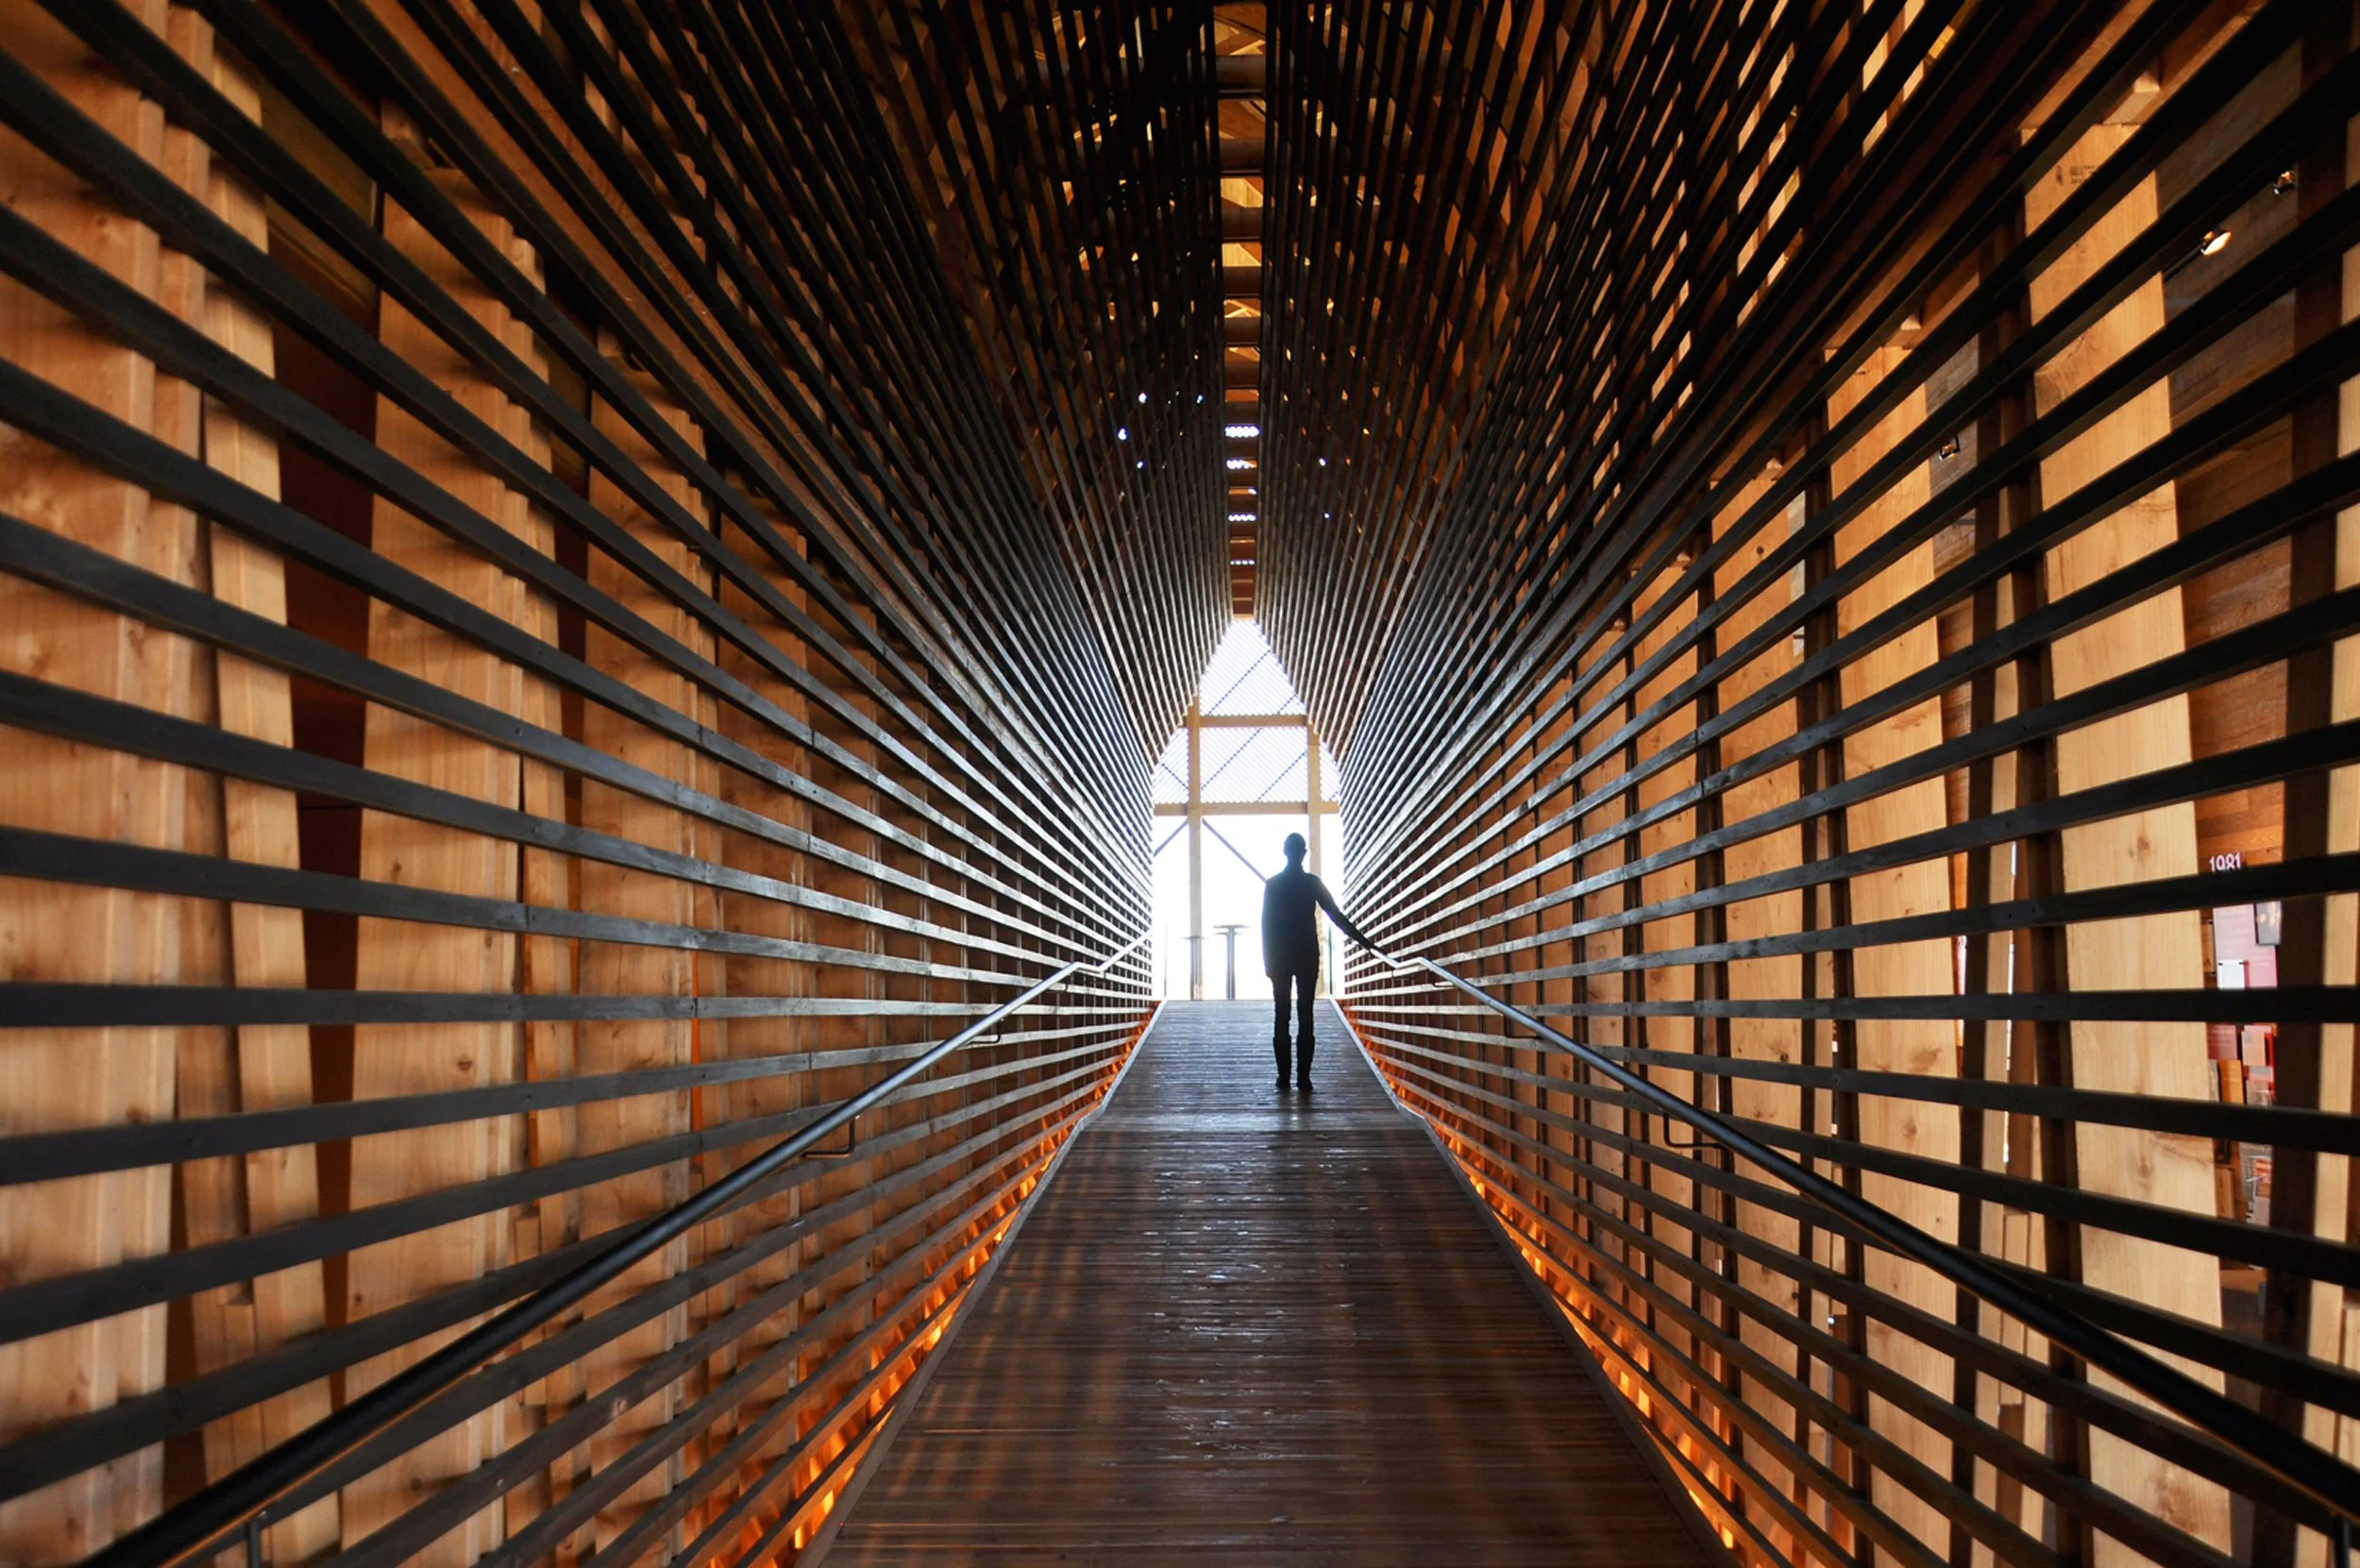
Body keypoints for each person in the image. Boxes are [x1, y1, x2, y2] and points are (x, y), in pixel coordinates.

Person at [1261, 832, 1377, 1093]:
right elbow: (1336, 916)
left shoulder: (1274, 885)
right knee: (1306, 1016)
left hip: (1281, 957)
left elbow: (1266, 926)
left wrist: (1268, 962)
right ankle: (1303, 1078)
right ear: (1304, 853)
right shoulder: (1312, 883)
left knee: (1282, 1016)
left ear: (1285, 851)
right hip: (1306, 956)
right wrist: (1364, 942)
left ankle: (1283, 1078)